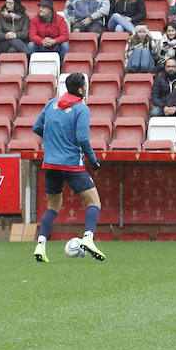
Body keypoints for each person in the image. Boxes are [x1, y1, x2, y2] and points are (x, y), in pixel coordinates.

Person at [31, 74, 105, 263]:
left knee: (53, 207)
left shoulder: (52, 103)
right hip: (72, 164)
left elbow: (37, 127)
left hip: (50, 164)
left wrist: (53, 139)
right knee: (94, 203)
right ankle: (88, 238)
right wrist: (93, 159)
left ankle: (41, 245)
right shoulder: (81, 108)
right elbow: (82, 138)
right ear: (81, 90)